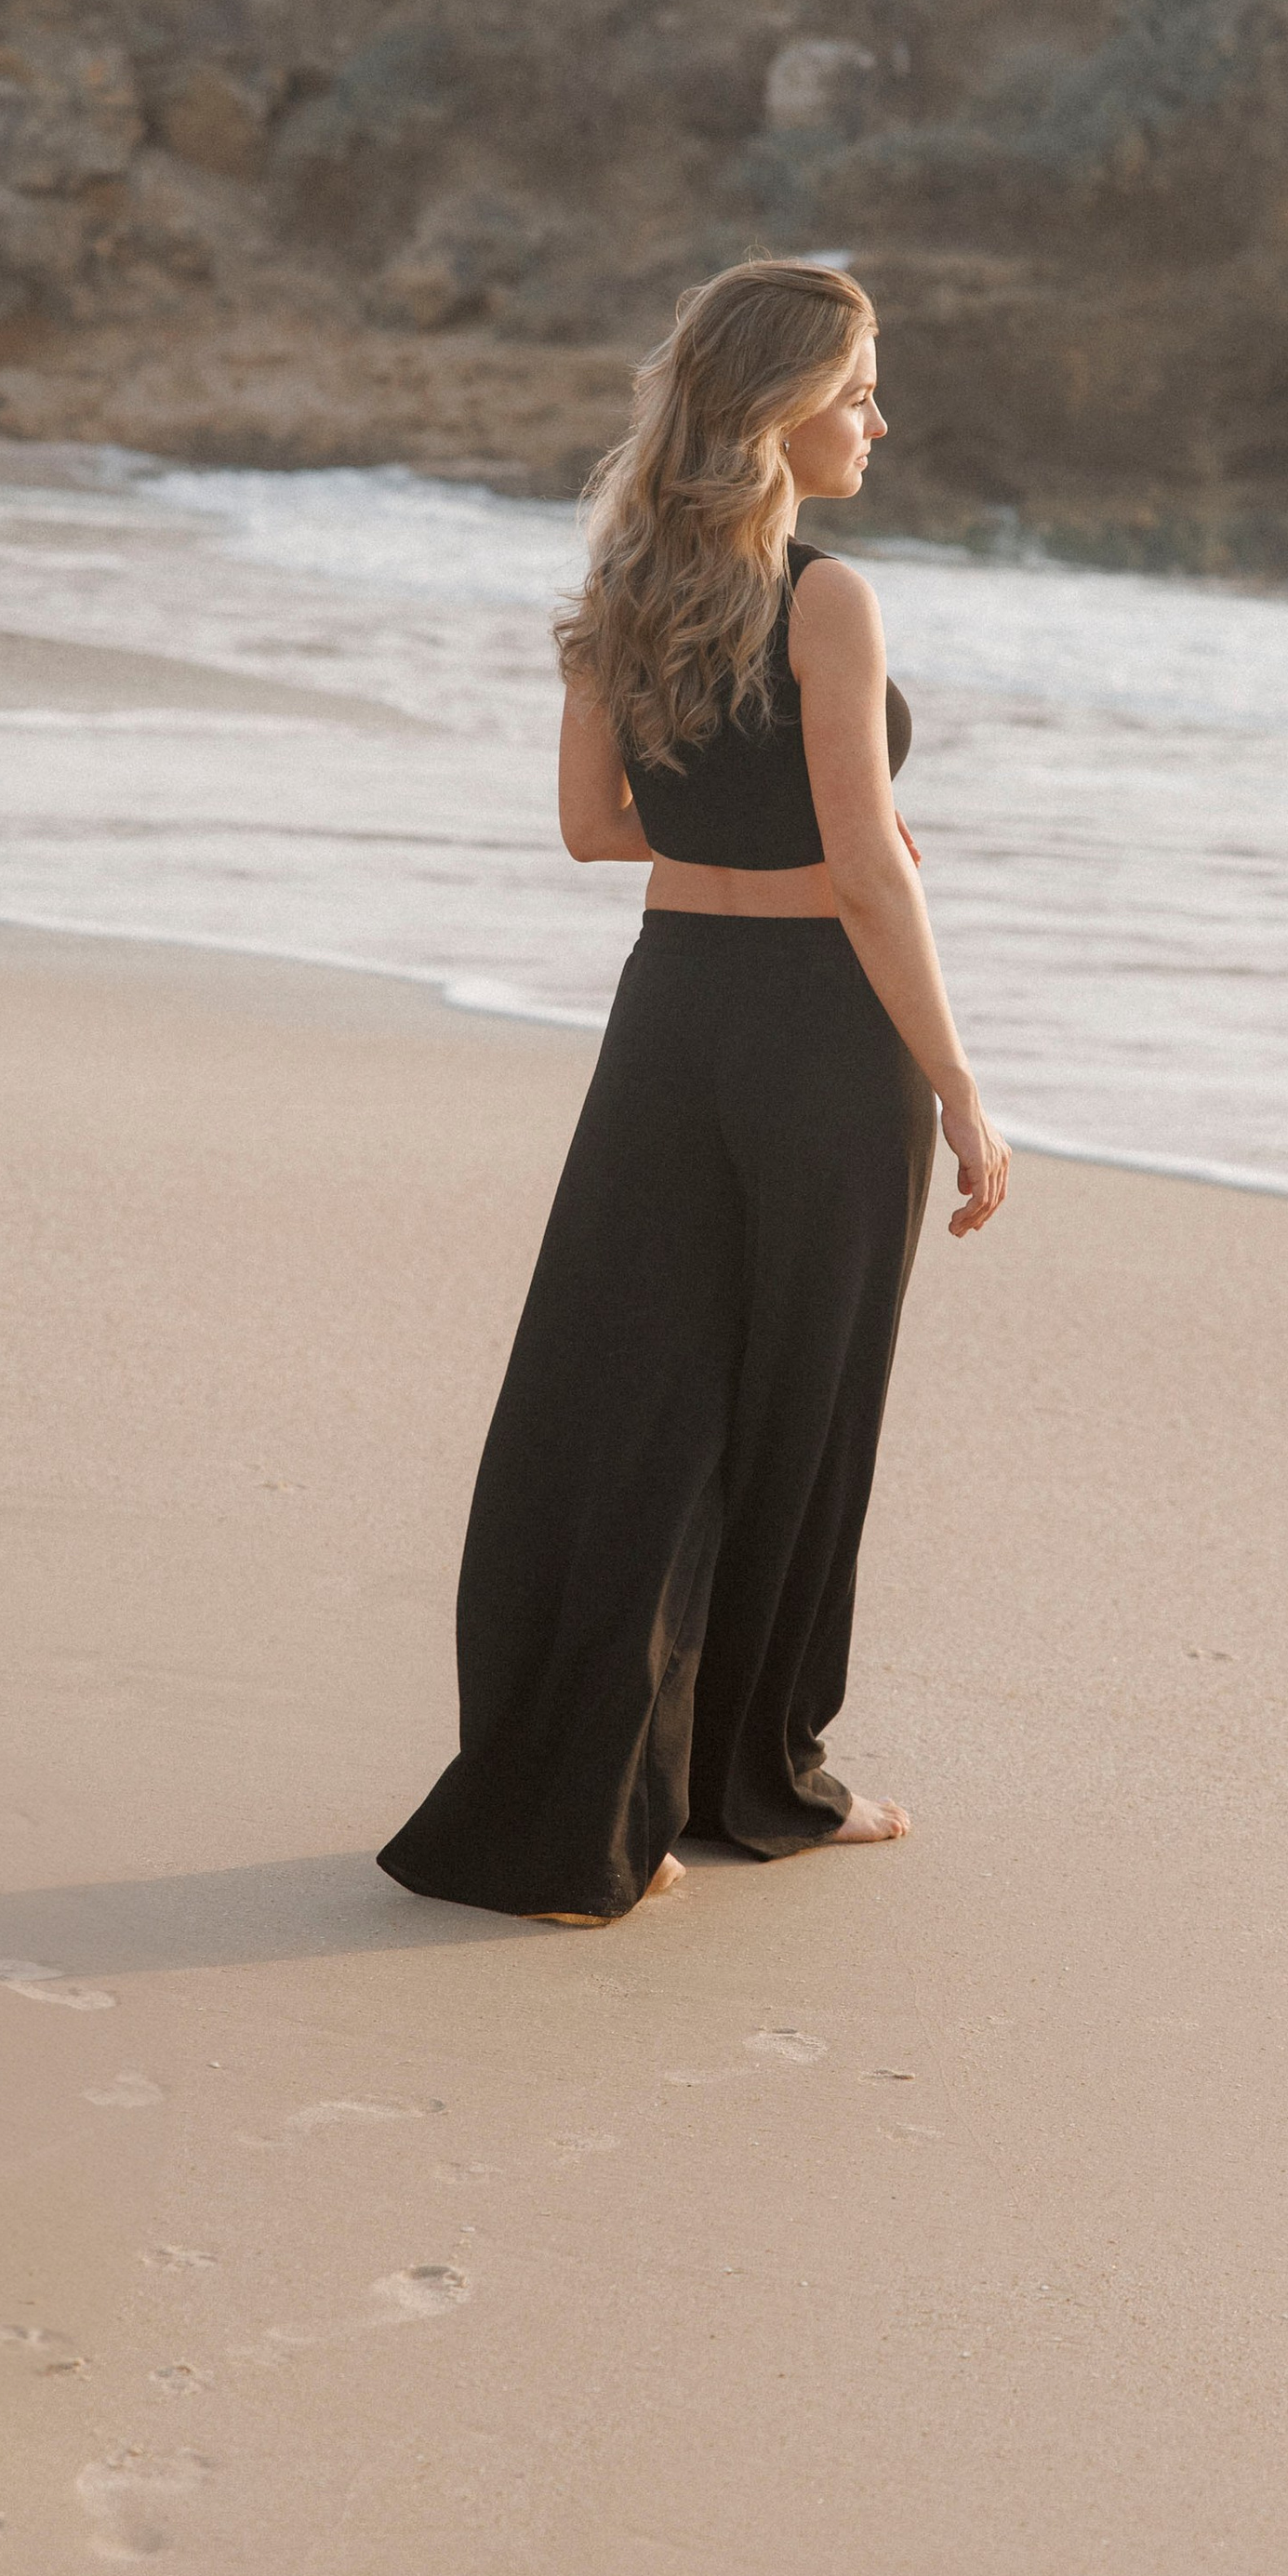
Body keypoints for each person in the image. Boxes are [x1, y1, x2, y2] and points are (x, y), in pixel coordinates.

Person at [378, 257, 1009, 1925]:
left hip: (668, 1020)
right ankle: (754, 1781)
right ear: (784, 406)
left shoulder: (626, 577)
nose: (882, 417)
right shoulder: (830, 597)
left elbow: (594, 827)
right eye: (862, 387)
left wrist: (743, 846)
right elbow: (872, 876)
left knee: (626, 1397)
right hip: (823, 1036)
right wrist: (959, 1085)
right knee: (800, 1400)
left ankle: (592, 1791)